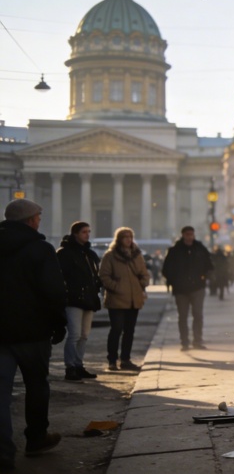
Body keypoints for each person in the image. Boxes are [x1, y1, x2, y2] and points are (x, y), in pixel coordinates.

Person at [0, 199, 67, 468]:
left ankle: (3, 453)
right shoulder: (41, 249)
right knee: (37, 386)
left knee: (1, 394)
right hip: (33, 332)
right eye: (38, 216)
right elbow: (53, 291)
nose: (40, 220)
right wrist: (59, 322)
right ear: (30, 220)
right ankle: (36, 437)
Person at [99, 227, 150, 372]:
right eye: (125, 237)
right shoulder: (110, 256)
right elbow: (104, 276)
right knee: (116, 330)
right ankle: (112, 360)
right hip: (117, 299)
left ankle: (126, 359)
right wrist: (117, 287)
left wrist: (143, 283)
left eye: (130, 237)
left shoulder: (137, 255)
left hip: (134, 298)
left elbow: (144, 273)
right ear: (119, 239)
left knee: (129, 331)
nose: (128, 240)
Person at [57, 221, 102, 381]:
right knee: (74, 334)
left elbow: (94, 275)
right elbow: (60, 276)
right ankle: (70, 368)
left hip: (88, 297)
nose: (87, 234)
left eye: (89, 231)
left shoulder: (88, 253)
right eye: (84, 232)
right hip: (73, 298)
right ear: (75, 233)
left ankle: (78, 364)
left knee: (84, 335)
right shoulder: (64, 253)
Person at [162, 226, 213, 350]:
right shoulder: (175, 250)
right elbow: (166, 269)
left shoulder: (200, 248)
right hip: (181, 289)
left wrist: (204, 277)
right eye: (187, 234)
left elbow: (209, 265)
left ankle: (197, 340)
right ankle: (184, 342)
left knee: (198, 314)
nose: (190, 236)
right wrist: (174, 280)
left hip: (197, 287)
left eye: (191, 234)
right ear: (183, 235)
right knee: (183, 316)